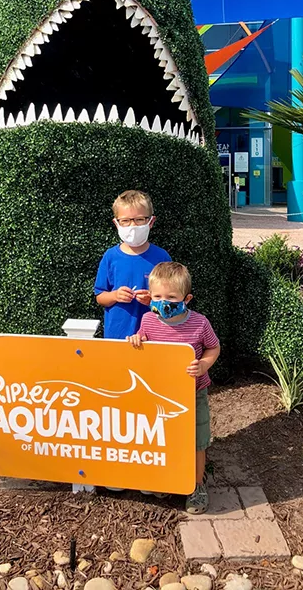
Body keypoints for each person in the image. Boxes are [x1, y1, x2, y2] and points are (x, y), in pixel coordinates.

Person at [128, 261, 220, 514]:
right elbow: (143, 348)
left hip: (193, 394)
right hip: (161, 394)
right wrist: (137, 340)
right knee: (163, 438)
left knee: (196, 442)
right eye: (157, 296)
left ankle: (196, 485)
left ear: (186, 298)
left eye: (171, 297)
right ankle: (167, 478)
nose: (162, 302)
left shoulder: (200, 323)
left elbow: (214, 347)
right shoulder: (147, 320)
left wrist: (204, 365)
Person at [94, 190, 171, 340]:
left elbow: (173, 299)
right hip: (117, 336)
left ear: (151, 221)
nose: (132, 225)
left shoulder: (162, 257)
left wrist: (153, 301)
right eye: (126, 221)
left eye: (139, 219)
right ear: (117, 223)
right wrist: (115, 295)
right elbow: (100, 296)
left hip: (154, 337)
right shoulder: (110, 256)